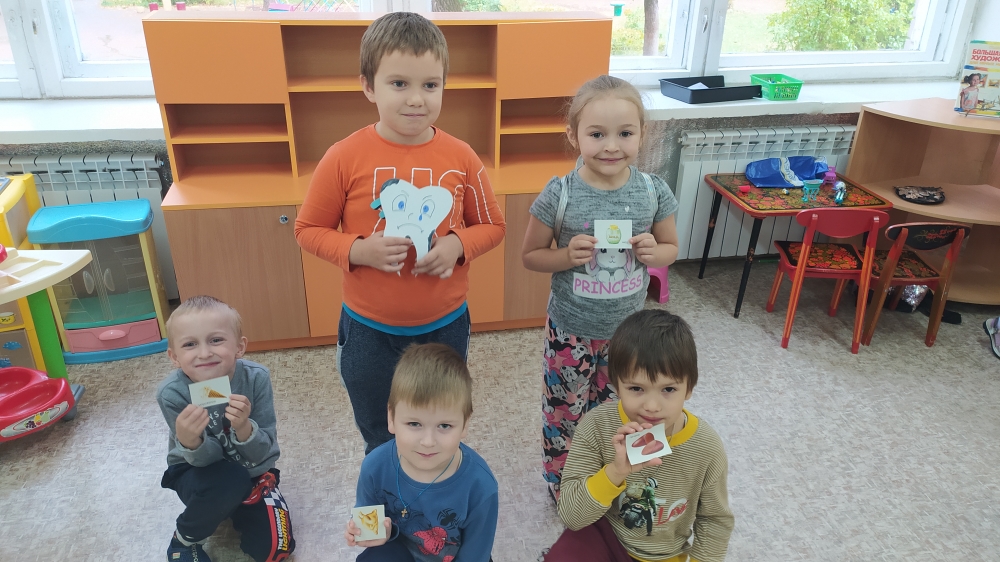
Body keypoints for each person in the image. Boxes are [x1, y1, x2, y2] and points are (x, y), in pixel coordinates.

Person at [294, 11, 505, 455]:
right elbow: (308, 229)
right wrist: (358, 250)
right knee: (379, 431)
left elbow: (493, 225)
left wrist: (458, 244)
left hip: (444, 326)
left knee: (436, 424)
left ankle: (433, 481)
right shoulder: (342, 157)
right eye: (399, 84)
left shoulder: (462, 157)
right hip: (368, 329)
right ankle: (386, 483)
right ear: (368, 86)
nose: (416, 99)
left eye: (430, 85)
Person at [521, 75, 680, 498]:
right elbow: (530, 255)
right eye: (597, 134)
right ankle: (563, 483)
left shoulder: (652, 192)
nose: (611, 146)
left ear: (642, 133)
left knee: (625, 409)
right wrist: (565, 255)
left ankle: (621, 474)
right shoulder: (559, 194)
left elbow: (671, 249)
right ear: (573, 135)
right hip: (570, 331)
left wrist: (654, 251)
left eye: (625, 133)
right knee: (564, 411)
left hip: (629, 334)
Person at [545, 309, 733, 562]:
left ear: (689, 387)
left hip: (665, 554)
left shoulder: (706, 447)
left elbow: (715, 520)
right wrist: (614, 472)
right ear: (616, 385)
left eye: (668, 389)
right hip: (606, 537)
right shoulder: (597, 425)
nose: (652, 407)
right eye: (636, 388)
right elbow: (571, 516)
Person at [157, 296, 295, 562]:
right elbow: (203, 461)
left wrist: (244, 428)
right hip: (196, 471)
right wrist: (191, 442)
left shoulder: (256, 378)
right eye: (190, 344)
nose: (204, 353)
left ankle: (245, 501)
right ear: (174, 357)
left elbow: (265, 453)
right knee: (230, 480)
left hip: (253, 471)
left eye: (216, 340)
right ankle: (183, 539)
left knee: (276, 550)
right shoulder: (172, 393)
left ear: (239, 347)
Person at [344, 343, 499, 562]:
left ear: (465, 425)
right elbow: (370, 526)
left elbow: (475, 555)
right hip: (399, 551)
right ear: (391, 418)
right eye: (414, 423)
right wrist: (377, 533)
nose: (428, 442)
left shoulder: (481, 486)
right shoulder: (375, 468)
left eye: (444, 426)